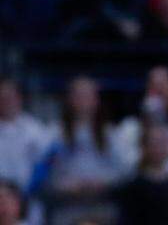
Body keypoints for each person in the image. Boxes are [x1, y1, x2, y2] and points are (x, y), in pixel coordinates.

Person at [41, 77, 125, 224]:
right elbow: (45, 174)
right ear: (70, 100)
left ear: (96, 100)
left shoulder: (110, 133)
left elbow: (122, 172)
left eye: (87, 96)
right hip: (67, 207)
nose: (83, 101)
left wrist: (102, 182)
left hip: (102, 206)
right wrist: (65, 185)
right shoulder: (55, 134)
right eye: (78, 96)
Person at [117, 123, 168, 225]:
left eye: (162, 143)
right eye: (154, 144)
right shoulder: (133, 188)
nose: (159, 149)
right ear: (144, 148)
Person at [0, 78, 52, 191]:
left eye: (10, 98)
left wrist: (34, 184)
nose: (6, 102)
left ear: (19, 99)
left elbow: (47, 161)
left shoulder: (35, 129)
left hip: (27, 192)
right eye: (2, 98)